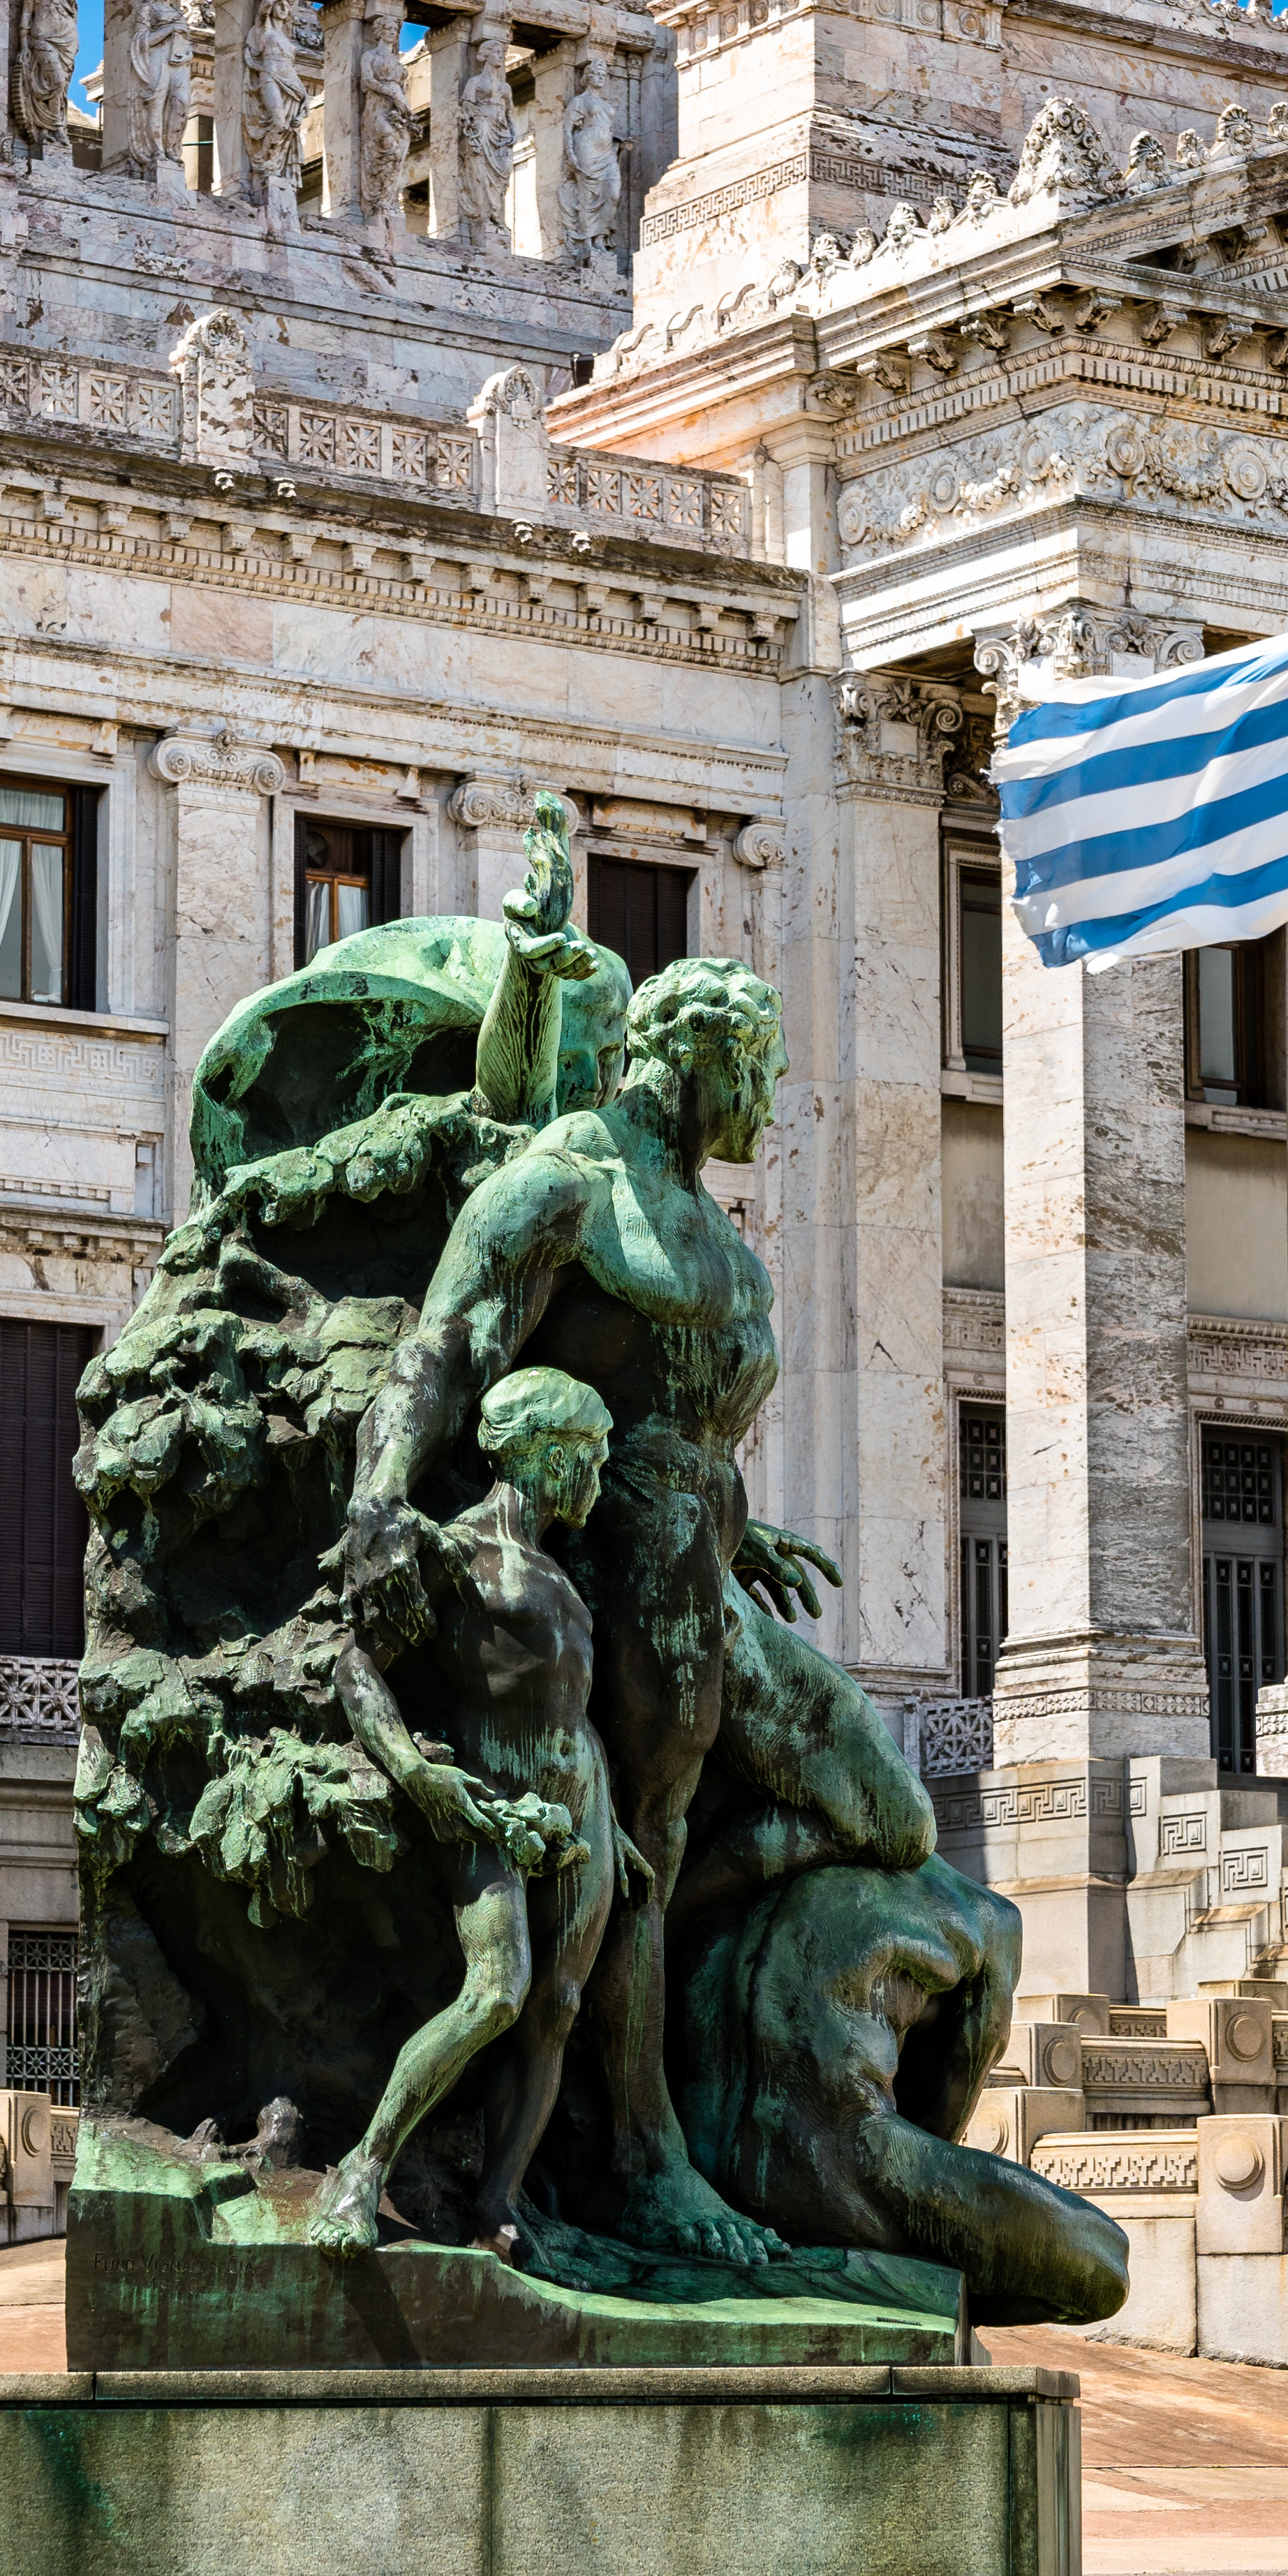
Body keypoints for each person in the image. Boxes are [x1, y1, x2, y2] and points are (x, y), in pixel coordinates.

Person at [341, 894, 904, 2273]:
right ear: (698, 1055)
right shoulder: (564, 1179)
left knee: (887, 1810)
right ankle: (647, 2155)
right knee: (641, 1851)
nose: (770, 1099)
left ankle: (680, 1966)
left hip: (702, 1563)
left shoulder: (704, 1220)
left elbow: (695, 1401)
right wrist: (375, 1503)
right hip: (615, 1572)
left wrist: (741, 1519)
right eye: (759, 1070)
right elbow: (444, 1350)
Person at [311, 1366, 623, 2256]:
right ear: (540, 1454)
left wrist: (616, 1827)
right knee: (495, 1995)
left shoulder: (560, 1571)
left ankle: (500, 2199)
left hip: (583, 1812)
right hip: (490, 1800)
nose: (595, 1479)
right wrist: (416, 1772)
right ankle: (361, 2167)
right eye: (585, 1458)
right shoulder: (457, 1556)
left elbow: (573, 1714)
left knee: (558, 2005)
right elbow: (356, 1667)